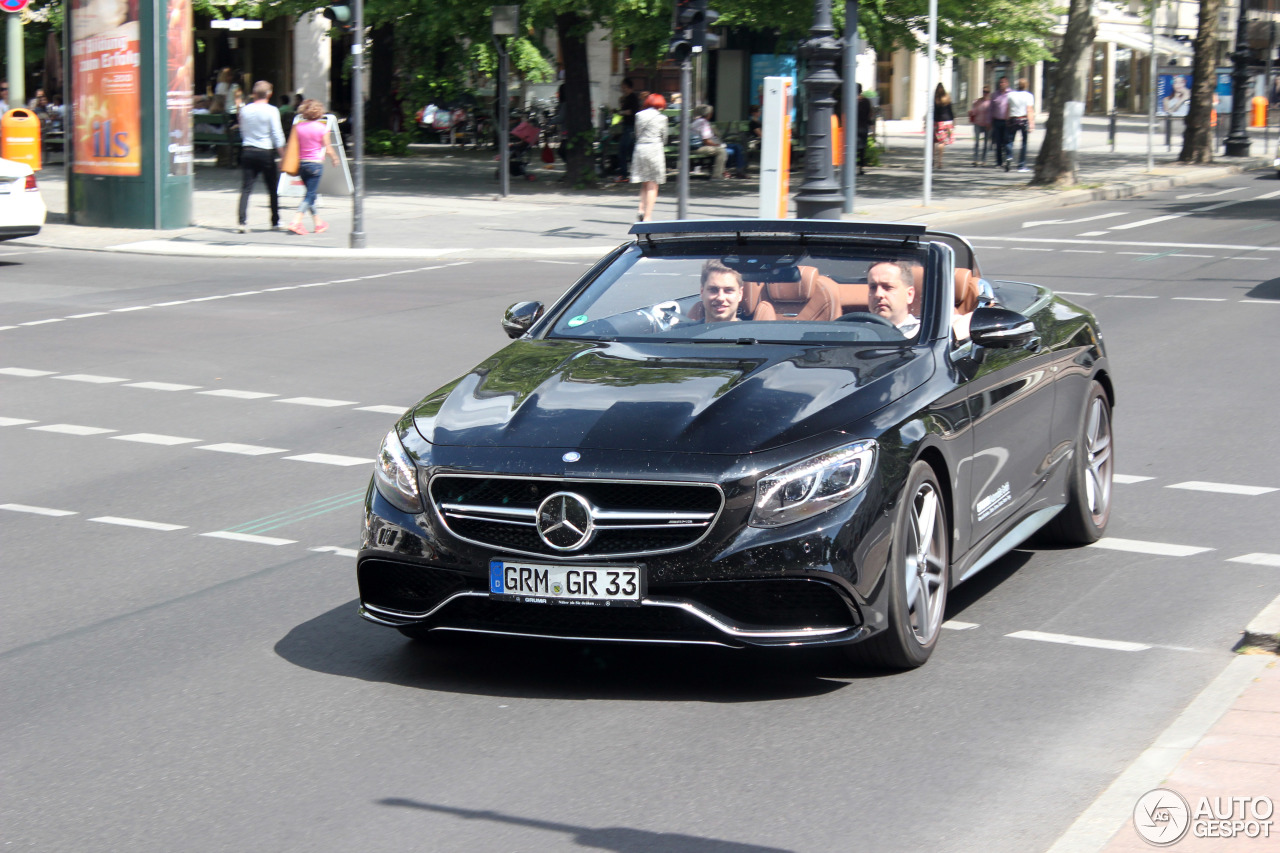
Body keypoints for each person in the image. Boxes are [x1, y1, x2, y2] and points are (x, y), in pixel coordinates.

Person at [236, 80, 286, 233]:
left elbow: (242, 130)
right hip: (265, 152)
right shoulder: (272, 111)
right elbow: (277, 134)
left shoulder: (245, 110)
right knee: (272, 188)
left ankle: (242, 222)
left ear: (254, 93)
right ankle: (275, 221)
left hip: (248, 150)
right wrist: (283, 155)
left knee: (246, 188)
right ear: (269, 94)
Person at [286, 100, 339, 235]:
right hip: (315, 164)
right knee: (310, 194)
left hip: (301, 164)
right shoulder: (322, 128)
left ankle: (318, 223)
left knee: (310, 193)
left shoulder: (298, 127)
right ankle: (296, 221)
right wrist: (334, 157)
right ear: (319, 112)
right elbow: (327, 148)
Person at [631, 93, 669, 222]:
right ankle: (647, 217)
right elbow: (665, 137)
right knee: (653, 184)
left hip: (640, 148)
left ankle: (640, 209)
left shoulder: (638, 115)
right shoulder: (662, 118)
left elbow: (637, 133)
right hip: (654, 149)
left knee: (644, 181)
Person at [867, 260, 920, 337]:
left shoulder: (925, 336)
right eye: (873, 287)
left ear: (909, 295)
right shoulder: (857, 333)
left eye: (888, 287)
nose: (878, 294)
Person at [1007, 78, 1036, 172]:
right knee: (1024, 142)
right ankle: (1021, 165)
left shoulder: (1010, 95)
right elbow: (1029, 110)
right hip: (1023, 120)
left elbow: (1008, 108)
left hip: (1013, 119)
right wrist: (1031, 123)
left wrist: (1007, 118)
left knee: (1010, 140)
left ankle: (1009, 156)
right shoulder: (1029, 96)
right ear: (1026, 85)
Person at [615, 77, 640, 182]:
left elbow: (631, 111)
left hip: (630, 127)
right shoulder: (626, 98)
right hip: (628, 126)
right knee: (630, 152)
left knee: (622, 150)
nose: (621, 88)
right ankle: (634, 174)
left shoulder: (633, 97)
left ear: (627, 86)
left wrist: (620, 112)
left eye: (623, 86)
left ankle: (624, 174)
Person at [989, 77, 1011, 171]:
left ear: (1007, 83)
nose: (1002, 84)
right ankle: (999, 162)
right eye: (1001, 82)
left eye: (1004, 82)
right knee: (998, 142)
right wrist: (989, 121)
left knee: (1007, 141)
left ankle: (1008, 158)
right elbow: (991, 109)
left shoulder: (1012, 94)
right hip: (997, 121)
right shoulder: (994, 95)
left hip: (1008, 122)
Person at [932, 84, 955, 169]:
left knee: (933, 141)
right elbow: (950, 110)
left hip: (937, 122)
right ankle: (940, 162)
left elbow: (933, 111)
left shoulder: (935, 99)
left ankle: (932, 159)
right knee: (942, 142)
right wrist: (953, 121)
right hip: (947, 122)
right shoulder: (947, 98)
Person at [968, 85, 991, 167]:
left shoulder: (991, 103)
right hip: (978, 123)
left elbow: (992, 115)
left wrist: (991, 124)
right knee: (977, 142)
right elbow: (974, 112)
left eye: (987, 92)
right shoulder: (977, 101)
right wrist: (971, 113)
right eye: (984, 92)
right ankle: (975, 159)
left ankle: (984, 160)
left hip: (987, 125)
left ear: (989, 93)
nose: (985, 93)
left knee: (985, 143)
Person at [856, 84, 873, 175]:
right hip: (863, 127)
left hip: (853, 128)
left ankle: (852, 167)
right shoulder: (866, 101)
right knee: (862, 148)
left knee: (852, 147)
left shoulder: (851, 101)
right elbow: (870, 114)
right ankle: (861, 168)